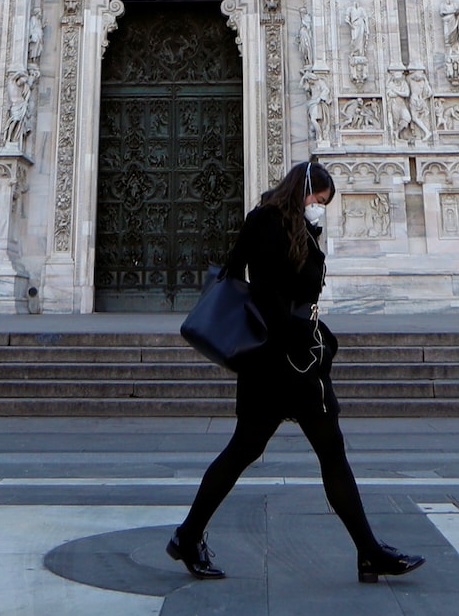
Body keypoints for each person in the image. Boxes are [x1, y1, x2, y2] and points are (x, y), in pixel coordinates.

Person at [167, 160, 426, 585]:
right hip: (287, 359)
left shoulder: (283, 223)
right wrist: (306, 341)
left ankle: (189, 536)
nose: (320, 208)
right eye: (319, 200)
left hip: (275, 359)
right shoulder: (270, 223)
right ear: (304, 190)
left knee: (258, 451)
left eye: (323, 204)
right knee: (312, 452)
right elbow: (271, 293)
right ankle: (368, 552)